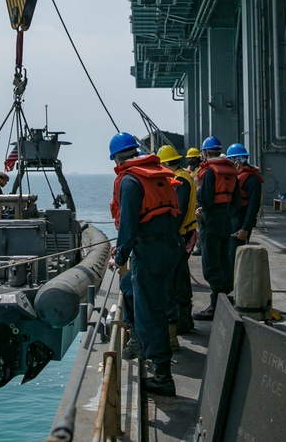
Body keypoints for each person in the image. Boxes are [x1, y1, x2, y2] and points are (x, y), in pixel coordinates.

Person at [108, 132, 181, 397]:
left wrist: (119, 256)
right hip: (168, 247)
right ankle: (138, 340)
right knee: (129, 288)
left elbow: (127, 224)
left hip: (149, 253)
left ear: (116, 157)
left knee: (151, 312)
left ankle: (162, 376)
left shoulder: (129, 181)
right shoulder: (157, 174)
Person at [192, 136, 240, 321]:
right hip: (226, 217)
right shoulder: (231, 171)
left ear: (204, 153)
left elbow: (205, 199)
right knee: (223, 258)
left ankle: (215, 304)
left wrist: (198, 187)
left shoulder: (209, 173)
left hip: (211, 219)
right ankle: (225, 297)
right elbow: (236, 201)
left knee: (210, 263)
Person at [158, 144, 198, 338]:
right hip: (188, 232)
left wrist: (169, 235)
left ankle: (180, 320)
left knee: (175, 279)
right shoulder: (186, 176)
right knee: (181, 276)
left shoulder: (180, 180)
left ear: (166, 164)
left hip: (182, 234)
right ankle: (185, 318)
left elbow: (179, 211)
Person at [227, 143, 263, 270]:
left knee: (235, 256)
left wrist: (245, 228)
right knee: (229, 255)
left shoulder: (252, 181)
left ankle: (236, 286)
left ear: (237, 161)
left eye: (230, 160)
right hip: (231, 219)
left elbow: (253, 207)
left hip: (240, 221)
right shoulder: (234, 177)